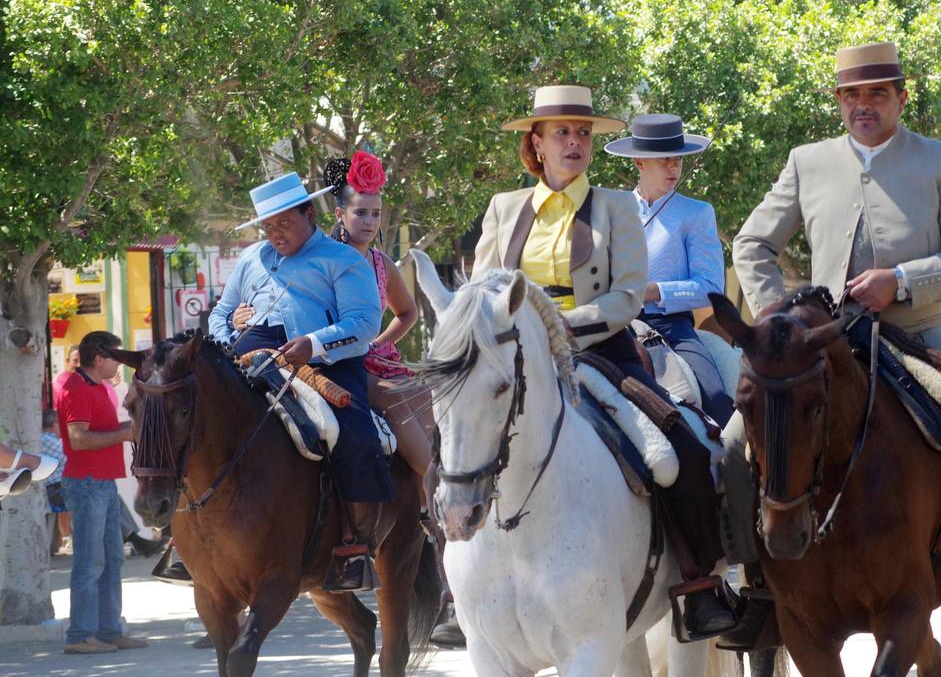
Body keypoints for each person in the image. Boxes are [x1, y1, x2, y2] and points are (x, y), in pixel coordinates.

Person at [731, 43, 941, 643]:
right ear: (839, 102)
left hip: (922, 330)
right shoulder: (807, 161)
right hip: (824, 341)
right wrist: (779, 317)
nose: (863, 105)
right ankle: (757, 588)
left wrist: (900, 280)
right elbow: (751, 245)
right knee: (732, 442)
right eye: (851, 95)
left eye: (876, 94)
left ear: (902, 97)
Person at [475, 84, 735, 637]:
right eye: (562, 133)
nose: (574, 142)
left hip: (598, 346)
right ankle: (457, 586)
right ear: (536, 145)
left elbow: (625, 295)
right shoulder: (503, 209)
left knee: (680, 449)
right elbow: (481, 288)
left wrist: (563, 325)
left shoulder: (614, 207)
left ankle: (700, 584)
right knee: (453, 439)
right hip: (515, 354)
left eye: (584, 133)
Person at [209, 171, 391, 592]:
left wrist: (313, 343)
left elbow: (364, 323)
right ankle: (191, 541)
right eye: (269, 226)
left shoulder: (343, 261)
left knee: (353, 436)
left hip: (324, 367)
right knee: (201, 427)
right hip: (252, 367)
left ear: (310, 213)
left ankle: (356, 545)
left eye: (285, 223)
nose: (276, 233)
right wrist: (229, 334)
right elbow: (220, 314)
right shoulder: (251, 258)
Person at [232, 152, 434, 479]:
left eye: (376, 214)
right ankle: (433, 480)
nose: (369, 221)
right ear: (340, 214)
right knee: (388, 396)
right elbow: (280, 300)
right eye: (361, 213)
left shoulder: (382, 263)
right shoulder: (316, 256)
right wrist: (241, 316)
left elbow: (407, 312)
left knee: (423, 396)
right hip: (327, 360)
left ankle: (427, 503)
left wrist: (378, 343)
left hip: (375, 359)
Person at [604, 113, 733, 426]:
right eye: (664, 160)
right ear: (639, 162)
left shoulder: (697, 213)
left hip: (672, 326)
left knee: (716, 398)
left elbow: (711, 287)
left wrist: (652, 291)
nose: (674, 167)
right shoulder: (607, 208)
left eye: (677, 160)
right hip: (610, 322)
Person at [54, 331, 148, 654]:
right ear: (99, 359)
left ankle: (108, 630)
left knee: (112, 558)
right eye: (115, 357)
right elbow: (78, 439)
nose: (119, 363)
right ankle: (79, 634)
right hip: (86, 483)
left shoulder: (99, 385)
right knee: (90, 560)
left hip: (102, 482)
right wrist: (125, 433)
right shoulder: (75, 388)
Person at [41, 409, 70, 555]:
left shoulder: (51, 440)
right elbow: (70, 461)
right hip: (55, 490)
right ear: (53, 424)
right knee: (99, 495)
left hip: (57, 488)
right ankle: (129, 535)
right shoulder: (47, 440)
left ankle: (129, 535)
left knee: (104, 495)